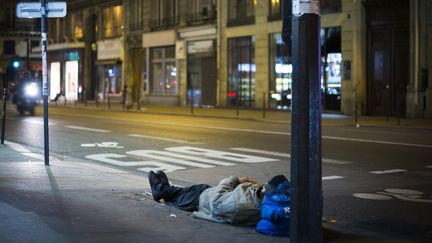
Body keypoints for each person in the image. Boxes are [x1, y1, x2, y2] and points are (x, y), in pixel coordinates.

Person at [148, 171, 264, 226]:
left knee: (176, 196)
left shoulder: (239, 205)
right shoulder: (258, 202)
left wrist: (235, 179)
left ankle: (162, 190)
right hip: (206, 192)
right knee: (178, 192)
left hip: (198, 200)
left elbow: (217, 203)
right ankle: (166, 189)